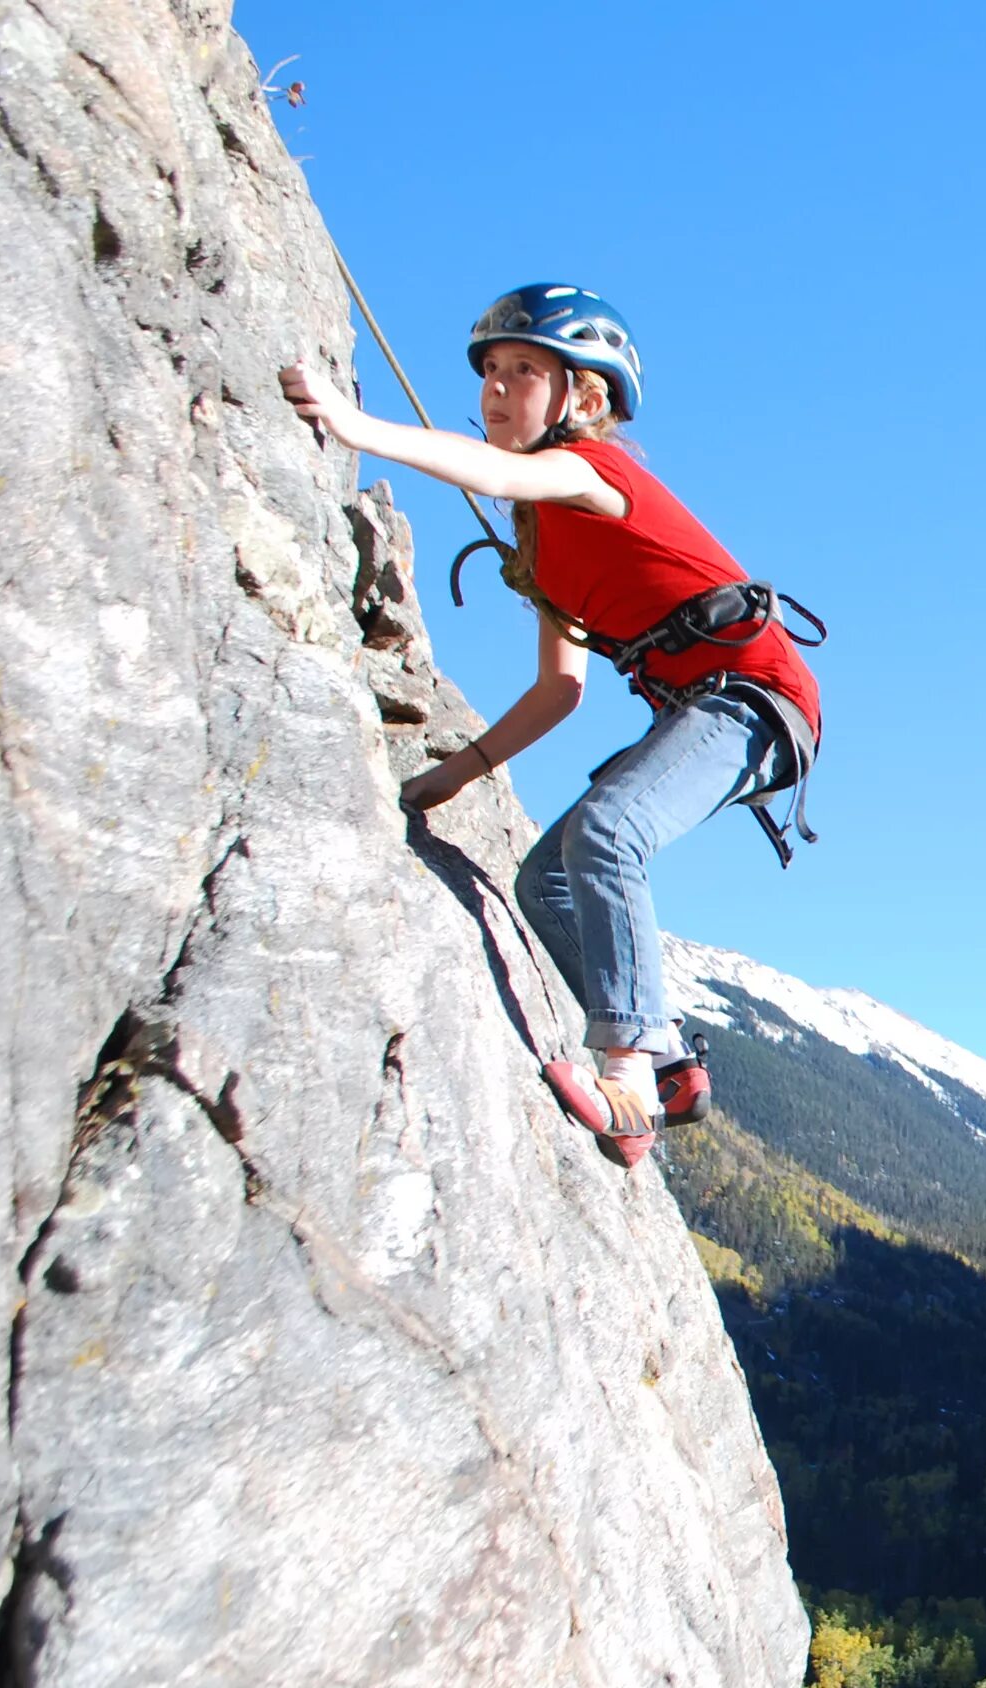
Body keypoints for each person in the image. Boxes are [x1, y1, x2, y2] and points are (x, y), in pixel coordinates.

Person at [282, 284, 822, 1166]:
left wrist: (351, 422)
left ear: (587, 399)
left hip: (756, 699)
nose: (497, 388)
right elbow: (557, 690)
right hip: (711, 707)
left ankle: (629, 1080)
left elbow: (494, 472)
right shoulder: (541, 545)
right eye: (490, 371)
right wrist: (453, 776)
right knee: (549, 883)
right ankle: (675, 1063)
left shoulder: (592, 473)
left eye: (524, 371)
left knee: (610, 833)